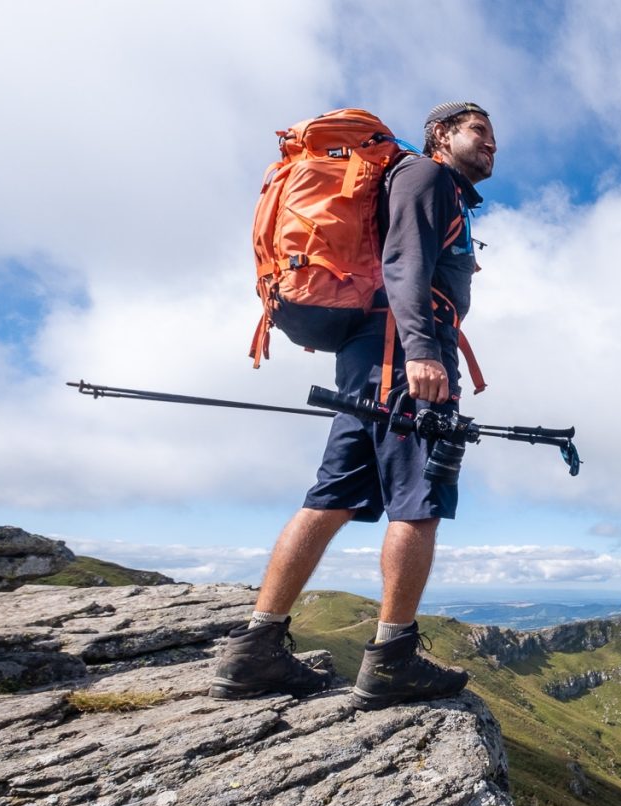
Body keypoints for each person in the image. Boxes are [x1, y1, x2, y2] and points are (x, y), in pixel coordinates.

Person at [211, 100, 497, 711]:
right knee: (419, 496)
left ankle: (254, 649)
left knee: (334, 494)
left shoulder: (417, 181)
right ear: (441, 135)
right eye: (480, 131)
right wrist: (422, 351)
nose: (492, 144)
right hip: (403, 349)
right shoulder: (427, 176)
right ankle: (391, 658)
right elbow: (404, 262)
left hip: (371, 353)